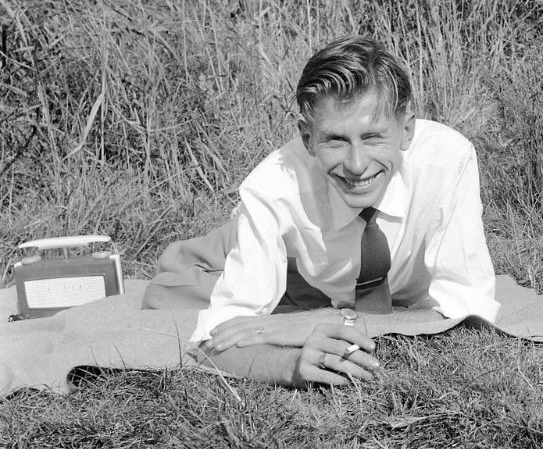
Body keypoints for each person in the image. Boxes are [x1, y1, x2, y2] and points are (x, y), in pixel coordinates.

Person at [143, 35, 498, 387]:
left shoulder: (449, 162)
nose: (357, 165)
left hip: (320, 280)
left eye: (373, 137)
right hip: (297, 251)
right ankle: (185, 256)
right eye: (335, 140)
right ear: (307, 139)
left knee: (294, 297)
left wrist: (332, 320)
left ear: (406, 130)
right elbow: (214, 339)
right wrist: (291, 365)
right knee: (168, 289)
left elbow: (468, 309)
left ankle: (292, 290)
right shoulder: (271, 187)